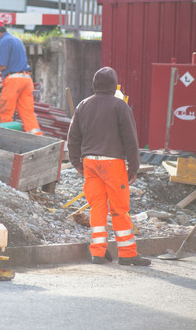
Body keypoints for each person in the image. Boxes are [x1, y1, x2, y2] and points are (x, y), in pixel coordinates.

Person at [67, 66, 151, 266]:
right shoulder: (119, 106)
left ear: (95, 84)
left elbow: (73, 138)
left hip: (90, 163)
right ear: (114, 86)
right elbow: (130, 139)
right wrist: (133, 166)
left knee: (97, 207)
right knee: (119, 209)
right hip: (113, 163)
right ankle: (128, 254)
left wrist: (76, 162)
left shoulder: (83, 105)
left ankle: (97, 252)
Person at [0, 20, 43, 135]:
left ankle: (7, 138)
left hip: (13, 81)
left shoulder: (4, 41)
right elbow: (5, 60)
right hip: (26, 80)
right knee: (27, 113)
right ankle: (37, 137)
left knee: (6, 111)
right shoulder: (15, 39)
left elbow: (2, 65)